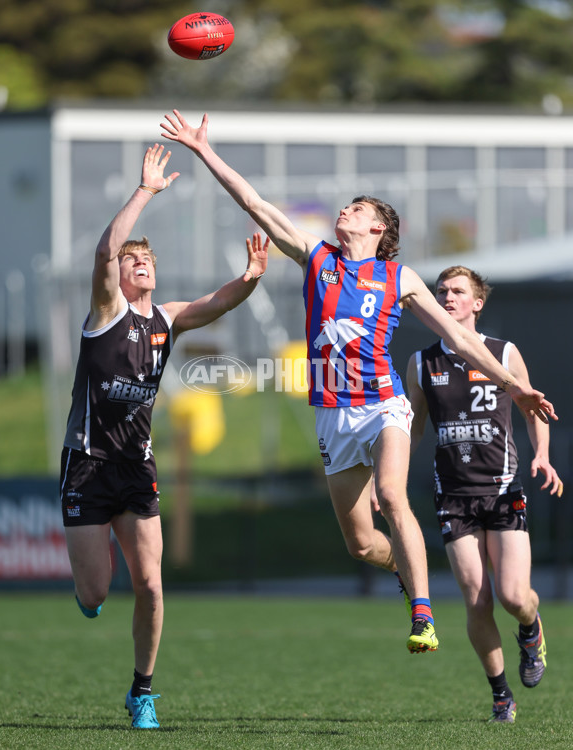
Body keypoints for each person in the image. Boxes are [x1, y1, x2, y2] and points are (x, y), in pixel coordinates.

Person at [159, 109, 558, 655]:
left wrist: (513, 383)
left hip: (383, 404)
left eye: (359, 207)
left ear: (378, 229)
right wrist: (204, 151)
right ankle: (404, 566)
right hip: (332, 414)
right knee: (361, 543)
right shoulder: (315, 257)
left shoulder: (400, 277)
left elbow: (463, 342)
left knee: (393, 494)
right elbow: (254, 203)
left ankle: (422, 615)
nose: (345, 209)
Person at [60, 143, 268, 729]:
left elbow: (217, 303)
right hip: (86, 464)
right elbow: (105, 249)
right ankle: (89, 590)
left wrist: (250, 278)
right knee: (97, 594)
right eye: (131, 262)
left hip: (134, 467)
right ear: (118, 277)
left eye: (145, 259)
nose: (139, 264)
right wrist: (146, 190)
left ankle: (143, 691)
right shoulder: (106, 313)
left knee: (150, 585)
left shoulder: (165, 318)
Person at [406, 265, 563, 723]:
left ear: (478, 303)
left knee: (515, 597)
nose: (447, 297)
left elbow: (531, 405)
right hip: (453, 496)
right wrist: (388, 480)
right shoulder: (421, 362)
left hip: (502, 489)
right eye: (441, 291)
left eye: (458, 291)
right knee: (477, 598)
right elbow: (413, 428)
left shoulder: (503, 353)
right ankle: (500, 694)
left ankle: (531, 631)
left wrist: (543, 455)